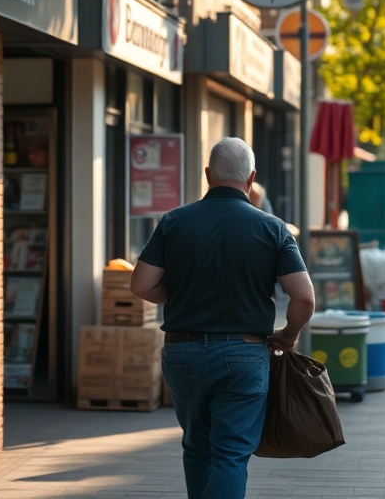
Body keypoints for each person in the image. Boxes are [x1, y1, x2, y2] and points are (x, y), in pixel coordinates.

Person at [131, 137, 316, 499]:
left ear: (207, 175)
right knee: (230, 455)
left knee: (196, 447)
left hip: (182, 352)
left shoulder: (174, 221)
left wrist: (176, 294)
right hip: (244, 354)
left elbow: (141, 285)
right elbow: (304, 296)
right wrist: (290, 333)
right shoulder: (273, 228)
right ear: (251, 178)